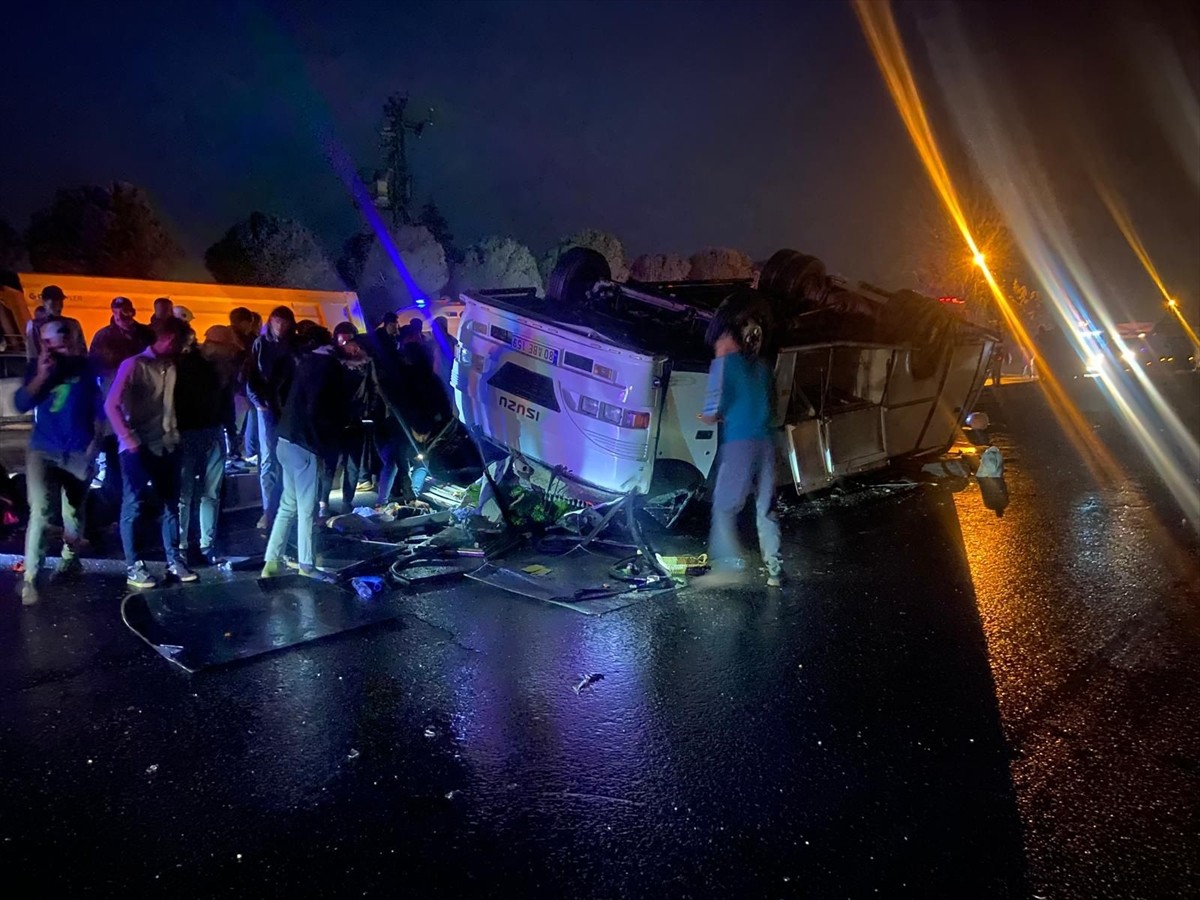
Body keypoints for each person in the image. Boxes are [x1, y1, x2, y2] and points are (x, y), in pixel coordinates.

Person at [105, 315, 198, 589]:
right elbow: (111, 404)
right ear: (169, 339)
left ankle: (174, 560)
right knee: (133, 505)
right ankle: (133, 566)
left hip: (167, 443)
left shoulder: (171, 366)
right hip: (137, 446)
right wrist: (128, 438)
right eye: (179, 342)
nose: (182, 348)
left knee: (170, 504)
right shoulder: (134, 365)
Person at [15, 320, 103, 606]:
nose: (58, 344)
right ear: (44, 344)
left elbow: (100, 408)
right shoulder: (37, 368)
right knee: (41, 511)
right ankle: (31, 577)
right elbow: (21, 403)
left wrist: (95, 445)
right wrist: (42, 374)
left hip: (77, 451)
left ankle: (69, 559)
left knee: (73, 512)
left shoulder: (86, 367)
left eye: (63, 337)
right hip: (43, 449)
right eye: (51, 340)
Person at [697, 322, 783, 588]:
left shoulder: (723, 365)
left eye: (718, 343)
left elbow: (712, 411)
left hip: (740, 444)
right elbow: (772, 406)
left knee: (724, 506)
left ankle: (727, 568)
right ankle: (775, 571)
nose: (716, 348)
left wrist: (709, 417)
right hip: (767, 444)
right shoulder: (764, 368)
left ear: (727, 340)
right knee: (766, 509)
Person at [262, 327, 351, 580]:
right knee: (306, 508)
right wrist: (322, 444)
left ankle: (272, 561)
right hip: (305, 445)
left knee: (288, 505)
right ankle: (306, 564)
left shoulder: (307, 362)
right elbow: (321, 409)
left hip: (285, 439)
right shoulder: (328, 366)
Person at [89, 297, 155, 512]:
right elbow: (93, 365)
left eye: (125, 310)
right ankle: (115, 507)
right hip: (114, 393)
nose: (121, 315)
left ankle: (142, 504)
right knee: (114, 454)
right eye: (117, 311)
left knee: (142, 454)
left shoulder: (145, 334)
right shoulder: (103, 336)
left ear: (133, 311)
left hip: (142, 396)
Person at [176, 327, 227, 566]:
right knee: (205, 493)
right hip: (203, 431)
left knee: (187, 495)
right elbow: (223, 400)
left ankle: (184, 546)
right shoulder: (208, 367)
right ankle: (203, 544)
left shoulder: (180, 364)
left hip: (195, 432)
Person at [246, 306, 297, 530]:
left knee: (288, 457)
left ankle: (286, 506)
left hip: (288, 406)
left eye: (285, 322)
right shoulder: (261, 343)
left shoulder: (293, 344)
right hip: (267, 407)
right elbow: (251, 374)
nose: (281, 326)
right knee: (268, 458)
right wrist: (258, 402)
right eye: (277, 321)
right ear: (271, 321)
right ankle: (269, 510)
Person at [318, 322, 373, 514]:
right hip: (336, 420)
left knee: (353, 465)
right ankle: (323, 503)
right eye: (343, 340)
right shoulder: (334, 363)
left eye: (350, 340)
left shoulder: (364, 363)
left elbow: (371, 387)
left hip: (356, 418)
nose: (348, 345)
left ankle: (347, 501)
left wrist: (367, 410)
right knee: (330, 464)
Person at [25, 285, 86, 360]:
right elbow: (32, 353)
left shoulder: (73, 324)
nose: (59, 306)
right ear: (44, 302)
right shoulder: (34, 325)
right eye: (54, 302)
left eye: (60, 302)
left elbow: (82, 351)